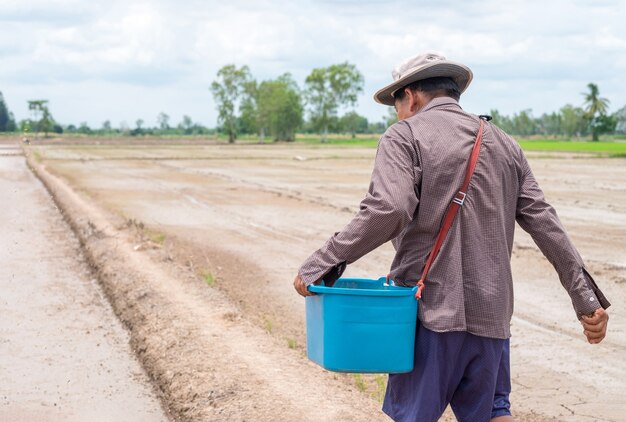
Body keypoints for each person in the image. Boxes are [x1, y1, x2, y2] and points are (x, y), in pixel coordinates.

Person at [293, 52, 610, 422]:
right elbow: (544, 220)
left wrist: (321, 263)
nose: (396, 114)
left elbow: (388, 209)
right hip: (492, 316)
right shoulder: (506, 145)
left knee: (415, 415)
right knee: (493, 412)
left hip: (431, 314)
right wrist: (585, 298)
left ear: (410, 96)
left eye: (395, 104)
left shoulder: (404, 136)